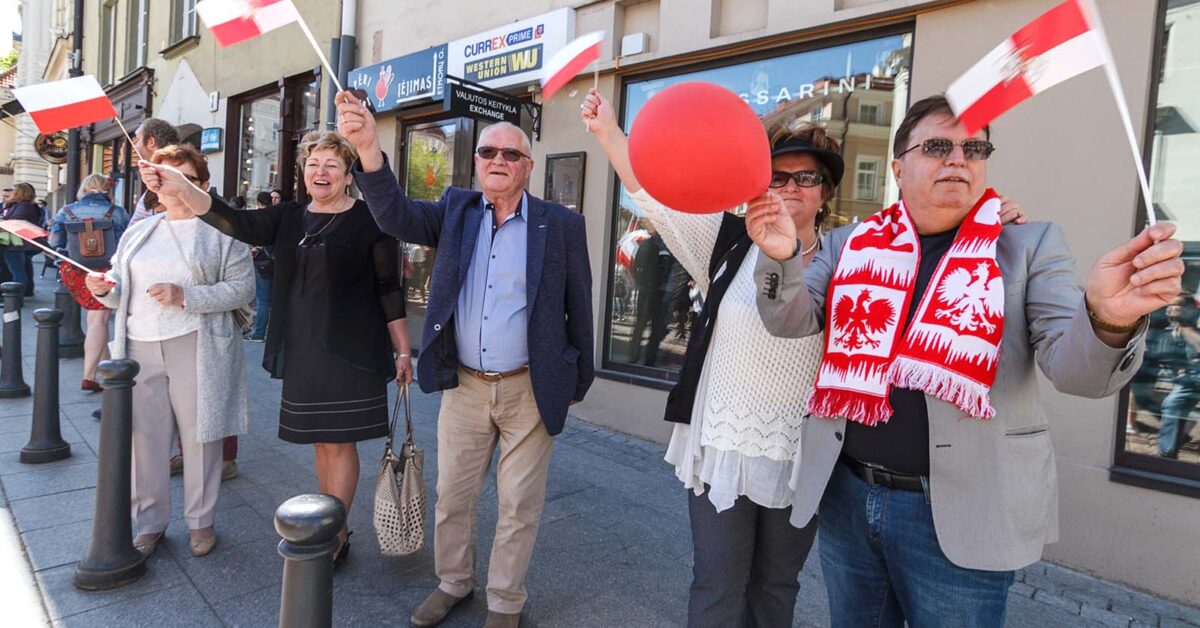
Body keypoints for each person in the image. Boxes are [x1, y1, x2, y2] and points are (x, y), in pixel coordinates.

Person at [582, 89, 1026, 626]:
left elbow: (927, 254)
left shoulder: (858, 255)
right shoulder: (725, 243)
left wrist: (981, 219)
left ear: (825, 194)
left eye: (807, 178)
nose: (790, 187)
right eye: (777, 176)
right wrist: (609, 130)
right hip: (728, 444)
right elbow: (649, 193)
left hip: (806, 456)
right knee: (717, 587)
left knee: (775, 589)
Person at [747, 94, 1183, 627]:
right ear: (898, 168)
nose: (958, 159)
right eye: (937, 146)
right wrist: (781, 257)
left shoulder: (1026, 245)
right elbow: (789, 320)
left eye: (973, 147)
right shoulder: (849, 246)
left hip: (963, 511)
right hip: (848, 496)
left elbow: (1076, 372)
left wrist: (1107, 319)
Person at [337, 90, 594, 628]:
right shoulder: (455, 210)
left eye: (510, 155)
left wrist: (578, 378)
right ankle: (453, 582)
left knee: (518, 506)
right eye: (487, 153)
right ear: (476, 161)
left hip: (529, 386)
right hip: (466, 386)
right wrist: (367, 149)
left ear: (528, 166)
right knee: (453, 497)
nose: (497, 161)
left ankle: (505, 602)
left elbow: (580, 303)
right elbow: (395, 216)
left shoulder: (560, 225)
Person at [140, 130, 413, 566]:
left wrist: (402, 350)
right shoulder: (288, 216)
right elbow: (232, 221)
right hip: (304, 347)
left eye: (332, 165)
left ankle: (336, 532)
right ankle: (329, 519)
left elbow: (388, 288)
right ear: (303, 172)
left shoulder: (369, 219)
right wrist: (182, 187)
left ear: (347, 176)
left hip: (353, 348)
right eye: (313, 164)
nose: (320, 172)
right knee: (321, 442)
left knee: (341, 443)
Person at [85, 144, 253, 558]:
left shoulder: (221, 231)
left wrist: (186, 296)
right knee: (146, 439)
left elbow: (243, 290)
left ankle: (201, 521)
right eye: (162, 176)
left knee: (201, 435)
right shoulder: (141, 229)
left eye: (182, 178)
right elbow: (120, 287)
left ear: (203, 185)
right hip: (139, 343)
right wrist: (103, 290)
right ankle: (150, 524)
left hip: (197, 341)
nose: (170, 186)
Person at [51, 173, 130, 391]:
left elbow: (54, 242)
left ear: (84, 189)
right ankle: (89, 376)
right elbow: (126, 244)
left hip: (76, 271)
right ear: (108, 190)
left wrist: (63, 264)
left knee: (96, 320)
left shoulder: (67, 211)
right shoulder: (118, 212)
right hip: (105, 271)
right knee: (98, 321)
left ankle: (105, 368)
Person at [1155, 294, 1200, 458]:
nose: (1171, 309)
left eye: (1177, 305)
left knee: (1173, 405)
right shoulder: (1174, 329)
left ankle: (1166, 452)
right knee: (1174, 406)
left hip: (1194, 376)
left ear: (1190, 310)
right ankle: (1168, 449)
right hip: (1189, 377)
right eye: (1170, 305)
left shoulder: (1189, 327)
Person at [129, 119, 181, 225]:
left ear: (151, 142)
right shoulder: (154, 177)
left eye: (137, 139)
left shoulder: (174, 177)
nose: (135, 146)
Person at [1, 182, 42, 293]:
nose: (11, 193)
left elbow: (14, 224)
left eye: (14, 190)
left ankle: (16, 297)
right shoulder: (19, 205)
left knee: (17, 270)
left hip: (16, 244)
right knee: (17, 269)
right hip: (14, 243)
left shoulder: (24, 206)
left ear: (20, 192)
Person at [246, 191, 274, 342]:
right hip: (276, 261)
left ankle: (259, 333)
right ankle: (273, 332)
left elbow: (254, 240)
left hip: (262, 262)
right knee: (273, 299)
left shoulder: (258, 217)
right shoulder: (277, 215)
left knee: (262, 300)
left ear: (258, 203)